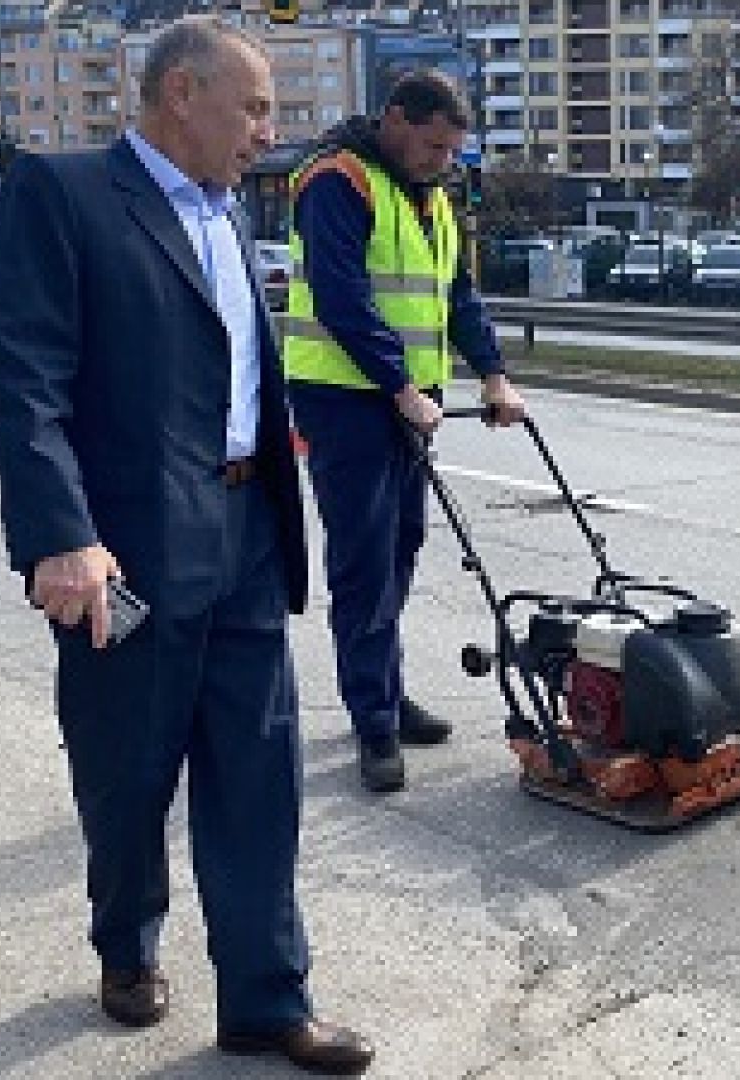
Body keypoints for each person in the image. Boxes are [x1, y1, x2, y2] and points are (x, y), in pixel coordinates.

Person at [0, 18, 372, 1074]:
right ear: (181, 94)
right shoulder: (63, 195)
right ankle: (127, 944)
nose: (266, 130)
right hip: (130, 551)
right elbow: (22, 386)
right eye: (251, 107)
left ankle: (265, 997)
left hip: (245, 533)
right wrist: (62, 538)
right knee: (128, 772)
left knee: (259, 774)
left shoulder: (235, 216)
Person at [280, 70, 526, 794]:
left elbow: (456, 293)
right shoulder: (337, 180)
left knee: (400, 549)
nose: (443, 160)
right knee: (362, 561)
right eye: (433, 145)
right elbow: (341, 294)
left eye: (453, 150)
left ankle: (383, 689)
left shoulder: (430, 197)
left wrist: (493, 374)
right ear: (395, 120)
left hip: (404, 401)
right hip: (345, 397)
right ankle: (374, 722)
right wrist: (398, 386)